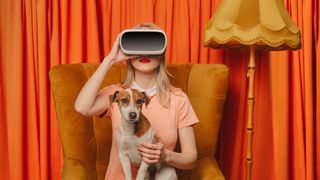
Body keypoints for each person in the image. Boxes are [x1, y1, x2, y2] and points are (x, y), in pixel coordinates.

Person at [74, 23, 199, 179]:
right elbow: (81, 107)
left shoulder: (178, 99)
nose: (143, 52)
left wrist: (166, 155)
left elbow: (191, 159)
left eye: (150, 44)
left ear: (161, 52)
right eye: (138, 45)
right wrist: (110, 59)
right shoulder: (117, 94)